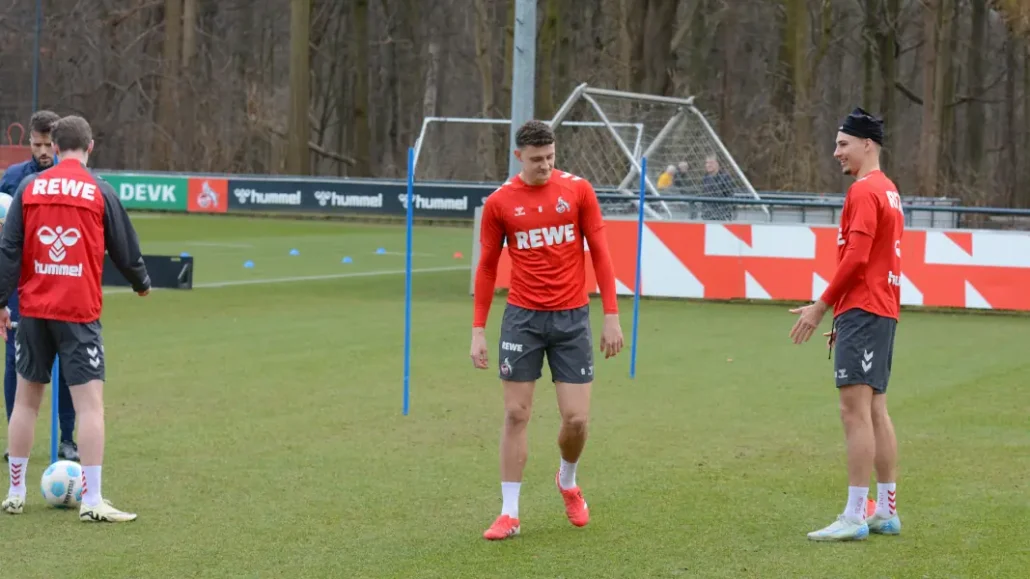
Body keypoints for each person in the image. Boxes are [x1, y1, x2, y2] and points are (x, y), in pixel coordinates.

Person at [470, 119, 624, 541]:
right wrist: (477, 329)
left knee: (576, 419)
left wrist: (611, 314)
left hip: (572, 318)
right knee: (516, 413)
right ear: (519, 156)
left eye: (551, 158)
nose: (545, 165)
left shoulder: (577, 191)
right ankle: (509, 513)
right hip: (522, 317)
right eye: (536, 159)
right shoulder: (501, 203)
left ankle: (568, 480)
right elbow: (486, 267)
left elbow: (602, 254)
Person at [0, 115, 151, 522]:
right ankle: (92, 501)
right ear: (90, 146)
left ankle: (15, 493)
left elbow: (9, 248)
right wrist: (141, 282)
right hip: (77, 311)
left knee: (25, 403)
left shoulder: (30, 187)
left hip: (31, 309)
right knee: (90, 406)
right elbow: (125, 246)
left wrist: (1, 302)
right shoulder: (98, 190)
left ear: (55, 144)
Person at [788, 107, 903, 541]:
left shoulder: (864, 191)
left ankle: (855, 515)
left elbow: (856, 258)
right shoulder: (890, 190)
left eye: (843, 144)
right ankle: (886, 510)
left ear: (867, 144)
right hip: (881, 310)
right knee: (875, 409)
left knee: (853, 412)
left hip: (866, 308)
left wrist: (822, 306)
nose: (835, 152)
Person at [0, 110, 79, 464]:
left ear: (59, 144)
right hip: (21, 285)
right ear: (29, 141)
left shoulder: (74, 182)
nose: (44, 151)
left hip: (62, 281)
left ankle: (67, 439)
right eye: (37, 144)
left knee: (67, 361)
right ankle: (15, 439)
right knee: (15, 361)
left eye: (49, 145)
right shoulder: (13, 179)